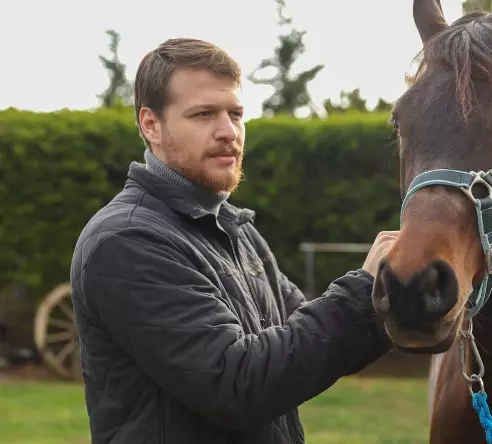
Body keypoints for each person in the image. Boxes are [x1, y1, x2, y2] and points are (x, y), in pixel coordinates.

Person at [69, 37, 397, 444]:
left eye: (236, 114)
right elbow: (237, 385)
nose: (229, 132)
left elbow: (307, 343)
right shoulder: (125, 242)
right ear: (150, 125)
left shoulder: (233, 228)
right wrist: (364, 290)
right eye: (204, 114)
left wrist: (397, 292)